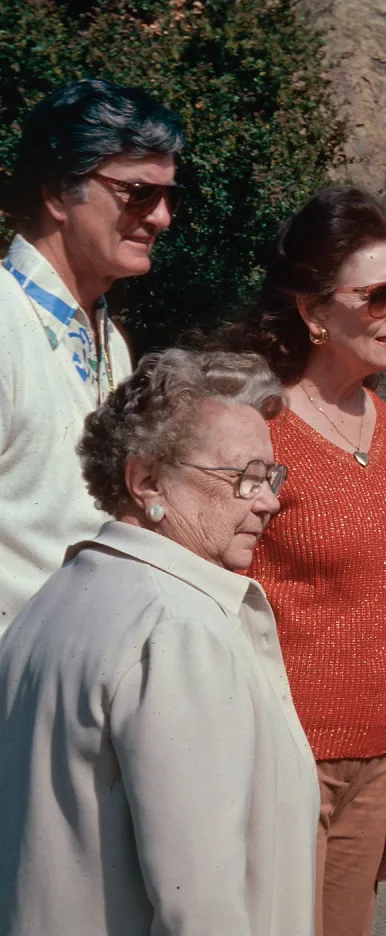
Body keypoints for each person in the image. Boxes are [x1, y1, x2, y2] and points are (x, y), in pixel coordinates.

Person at [219, 186, 386, 936]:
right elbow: (209, 584)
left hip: (380, 756)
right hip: (273, 757)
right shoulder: (254, 429)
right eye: (377, 295)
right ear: (312, 311)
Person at [0, 349, 318, 936]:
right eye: (245, 477)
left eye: (272, 477)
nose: (269, 501)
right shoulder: (178, 631)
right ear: (147, 481)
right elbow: (200, 907)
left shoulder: (57, 597)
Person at [0, 78, 185, 628]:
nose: (162, 217)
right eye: (139, 193)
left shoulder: (111, 343)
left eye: (170, 196)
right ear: (59, 192)